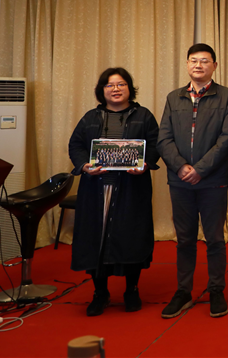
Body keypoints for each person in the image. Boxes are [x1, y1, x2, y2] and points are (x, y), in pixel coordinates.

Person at [68, 68, 160, 316]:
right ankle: (100, 293)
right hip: (96, 188)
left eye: (121, 84)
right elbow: (75, 145)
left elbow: (155, 145)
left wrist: (146, 164)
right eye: (110, 85)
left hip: (131, 188)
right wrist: (84, 165)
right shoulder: (90, 117)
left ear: (130, 88)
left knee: (132, 237)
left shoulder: (144, 116)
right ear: (102, 90)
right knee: (95, 239)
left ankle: (132, 290)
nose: (116, 89)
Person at [157, 43, 228, 319]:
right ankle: (183, 291)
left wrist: (200, 169)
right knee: (184, 240)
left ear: (214, 65)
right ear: (187, 65)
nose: (198, 65)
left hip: (213, 181)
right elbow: (164, 138)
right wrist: (181, 167)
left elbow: (226, 139)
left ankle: (216, 289)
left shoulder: (226, 96)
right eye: (193, 60)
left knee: (214, 238)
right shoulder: (174, 98)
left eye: (204, 61)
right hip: (180, 181)